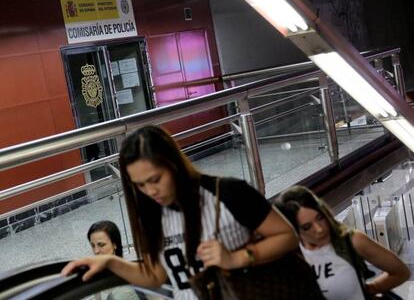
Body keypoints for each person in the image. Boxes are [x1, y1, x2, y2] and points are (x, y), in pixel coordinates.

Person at [62, 125, 300, 300]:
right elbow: (155, 276)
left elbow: (287, 236)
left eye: (155, 179)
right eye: (140, 185)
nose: (150, 190)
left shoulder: (228, 193)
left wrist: (237, 258)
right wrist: (111, 261)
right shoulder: (153, 216)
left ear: (174, 164)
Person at [276, 185, 410, 300]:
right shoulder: (290, 256)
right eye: (307, 227)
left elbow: (400, 272)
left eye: (320, 217)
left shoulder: (352, 241)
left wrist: (370, 290)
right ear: (293, 229)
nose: (319, 229)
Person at [86, 220, 144, 300]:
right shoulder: (95, 277)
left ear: (114, 244)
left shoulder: (134, 270)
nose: (96, 251)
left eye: (101, 245)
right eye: (93, 245)